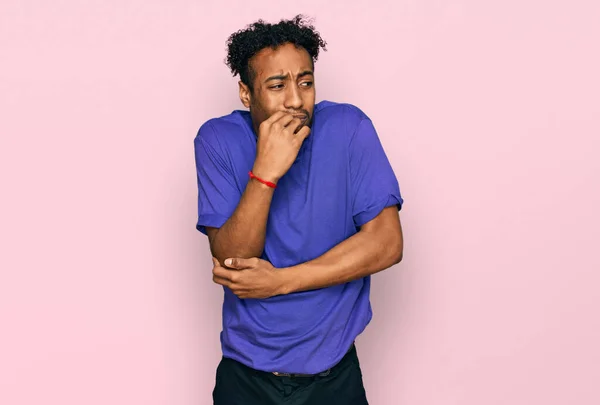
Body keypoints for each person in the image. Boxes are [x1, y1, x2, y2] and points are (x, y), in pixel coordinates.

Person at [194, 14, 404, 405]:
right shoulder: (217, 139)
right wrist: (265, 172)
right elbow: (233, 258)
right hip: (246, 377)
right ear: (246, 93)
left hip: (335, 375)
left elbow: (387, 243)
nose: (295, 99)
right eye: (277, 85)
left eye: (305, 82)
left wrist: (281, 281)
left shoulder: (349, 128)